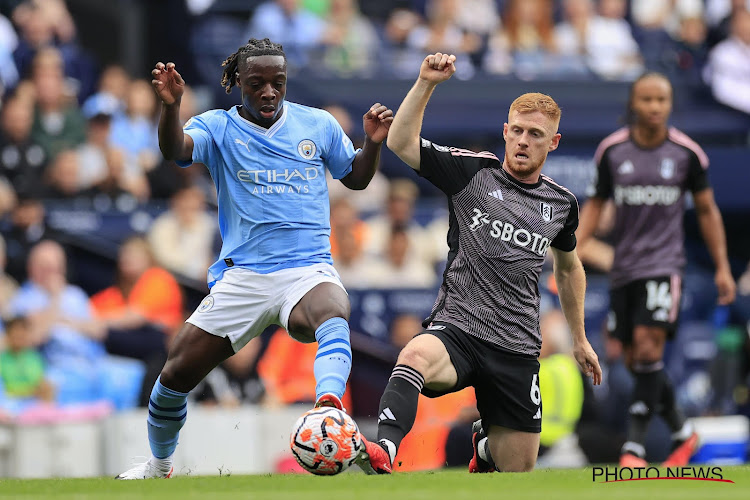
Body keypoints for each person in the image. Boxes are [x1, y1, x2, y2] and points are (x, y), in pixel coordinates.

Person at [115, 37, 392, 479]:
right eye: (257, 83)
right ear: (237, 82)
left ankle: (329, 411)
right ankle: (160, 465)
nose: (268, 92)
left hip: (306, 269)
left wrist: (373, 144)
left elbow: (355, 178)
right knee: (172, 378)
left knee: (333, 310)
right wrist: (171, 108)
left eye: (277, 83)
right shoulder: (219, 127)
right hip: (244, 277)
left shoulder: (316, 125)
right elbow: (176, 151)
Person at [354, 52, 602, 475]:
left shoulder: (562, 205)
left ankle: (485, 449)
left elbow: (569, 267)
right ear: (506, 132)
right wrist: (426, 82)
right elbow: (399, 143)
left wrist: (579, 339)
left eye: (535, 134)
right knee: (413, 354)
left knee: (517, 474)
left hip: (518, 348)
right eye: (518, 131)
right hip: (461, 329)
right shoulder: (473, 173)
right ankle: (385, 451)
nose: (524, 141)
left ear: (553, 142)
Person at [576, 72, 736, 468]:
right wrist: (572, 255)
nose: (654, 107)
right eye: (646, 99)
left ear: (669, 105)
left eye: (661, 100)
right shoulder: (612, 152)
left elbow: (706, 211)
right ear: (634, 103)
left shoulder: (687, 154)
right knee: (636, 362)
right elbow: (595, 206)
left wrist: (722, 267)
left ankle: (634, 448)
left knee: (649, 348)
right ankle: (683, 430)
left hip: (665, 266)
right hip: (623, 269)